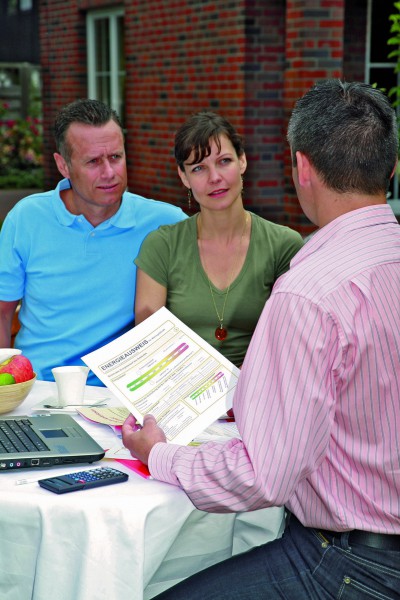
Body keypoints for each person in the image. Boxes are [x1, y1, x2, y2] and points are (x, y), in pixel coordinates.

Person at [121, 80, 400, 599]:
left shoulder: (308, 289)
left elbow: (263, 475)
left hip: (350, 560)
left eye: (222, 161)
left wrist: (159, 455)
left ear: (302, 168)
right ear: (391, 167)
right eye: (198, 167)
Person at [0, 99, 186, 386]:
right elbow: (2, 313)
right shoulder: (26, 218)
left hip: (121, 395)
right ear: (63, 165)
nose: (109, 172)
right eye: (93, 161)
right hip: (38, 388)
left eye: (115, 157)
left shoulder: (166, 222)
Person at [134, 111, 303, 368]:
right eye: (199, 168)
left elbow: (292, 343)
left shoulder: (283, 246)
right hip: (180, 391)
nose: (214, 177)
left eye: (224, 161)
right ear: (183, 177)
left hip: (259, 393)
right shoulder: (162, 246)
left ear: (242, 161)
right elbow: (150, 346)